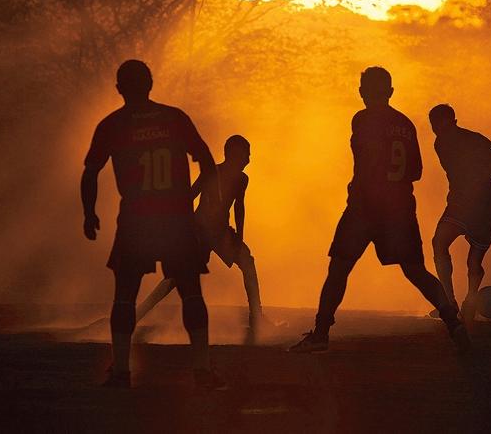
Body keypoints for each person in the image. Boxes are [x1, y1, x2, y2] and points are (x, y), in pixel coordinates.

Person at [289, 67, 469, 353]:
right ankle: (453, 322)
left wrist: (363, 191)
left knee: (339, 266)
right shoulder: (406, 124)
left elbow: (367, 161)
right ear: (391, 92)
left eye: (363, 88)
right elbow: (417, 171)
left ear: (363, 92)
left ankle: (320, 334)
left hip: (365, 207)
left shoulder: (362, 119)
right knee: (414, 270)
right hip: (399, 207)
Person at [81, 59, 223, 390]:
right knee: (190, 292)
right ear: (151, 83)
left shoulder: (113, 124)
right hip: (175, 218)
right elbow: (205, 157)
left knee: (125, 296)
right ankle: (202, 370)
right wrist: (212, 202)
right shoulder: (174, 118)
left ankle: (120, 372)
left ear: (119, 88)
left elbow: (90, 172)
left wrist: (89, 213)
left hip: (137, 219)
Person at [133, 135, 278, 335]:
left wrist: (240, 236)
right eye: (246, 155)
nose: (248, 160)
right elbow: (189, 196)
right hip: (198, 232)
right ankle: (136, 316)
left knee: (247, 262)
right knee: (175, 276)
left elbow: (239, 206)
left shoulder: (241, 179)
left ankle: (257, 319)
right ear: (235, 155)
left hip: (219, 232)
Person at [428, 104, 491, 323]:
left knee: (473, 262)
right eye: (433, 125)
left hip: (486, 205)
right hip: (462, 203)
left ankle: (470, 301)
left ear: (451, 121)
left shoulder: (473, 139)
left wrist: (480, 177)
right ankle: (449, 302)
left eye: (439, 124)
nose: (436, 129)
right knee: (439, 241)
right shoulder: (440, 143)